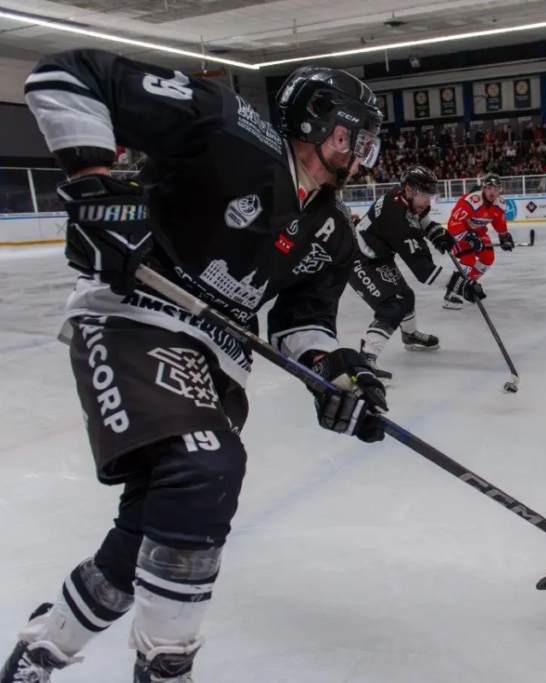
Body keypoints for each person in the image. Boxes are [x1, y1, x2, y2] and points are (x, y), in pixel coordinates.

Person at [3, 49, 389, 682]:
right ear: (313, 122)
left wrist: (337, 373)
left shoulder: (332, 233)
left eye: (366, 144)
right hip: (135, 317)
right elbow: (69, 75)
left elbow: (301, 323)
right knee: (207, 465)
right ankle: (165, 666)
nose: (358, 155)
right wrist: (93, 183)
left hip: (217, 359)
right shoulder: (228, 128)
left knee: (144, 540)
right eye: (351, 137)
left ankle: (43, 648)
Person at [349, 166, 486, 380]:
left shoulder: (401, 196)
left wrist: (437, 232)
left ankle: (410, 335)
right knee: (392, 306)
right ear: (409, 190)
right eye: (423, 194)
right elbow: (425, 272)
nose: (427, 201)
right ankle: (365, 358)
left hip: (377, 256)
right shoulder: (398, 220)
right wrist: (462, 285)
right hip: (357, 259)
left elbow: (420, 219)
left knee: (407, 297)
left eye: (429, 195)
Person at [444, 172, 514, 309]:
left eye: (495, 189)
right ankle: (451, 293)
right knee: (468, 260)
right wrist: (467, 237)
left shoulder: (500, 203)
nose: (492, 192)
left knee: (488, 257)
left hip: (479, 232)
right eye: (489, 188)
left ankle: (467, 284)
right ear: (483, 188)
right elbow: (453, 222)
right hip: (460, 232)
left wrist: (504, 236)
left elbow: (499, 221)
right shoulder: (471, 201)